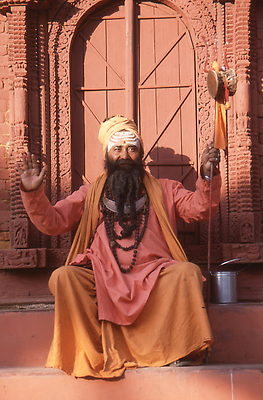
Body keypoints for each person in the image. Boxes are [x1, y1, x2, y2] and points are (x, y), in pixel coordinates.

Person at [17, 116, 221, 379]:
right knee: (65, 277)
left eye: (132, 148)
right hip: (103, 276)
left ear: (140, 154)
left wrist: (207, 175)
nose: (125, 155)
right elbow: (53, 222)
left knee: (186, 274)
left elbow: (199, 209)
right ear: (107, 155)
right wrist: (33, 193)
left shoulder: (165, 189)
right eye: (117, 149)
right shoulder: (91, 193)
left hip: (155, 275)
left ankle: (178, 351)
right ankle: (92, 354)